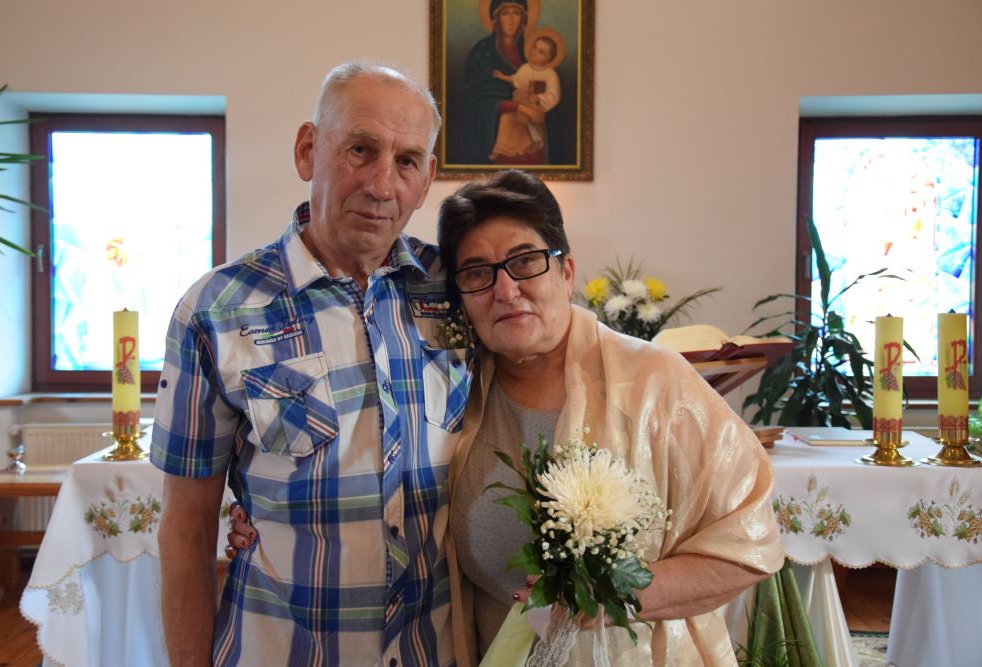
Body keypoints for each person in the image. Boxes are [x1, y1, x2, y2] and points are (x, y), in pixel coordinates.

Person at [230, 170, 784, 665]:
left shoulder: (653, 382)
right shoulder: (451, 387)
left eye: (525, 262)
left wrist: (609, 596)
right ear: (459, 297)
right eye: (477, 272)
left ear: (566, 270)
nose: (505, 290)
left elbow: (749, 545)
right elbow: (369, 464)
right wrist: (261, 516)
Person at [152, 61, 473, 666]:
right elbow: (187, 530)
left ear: (426, 179)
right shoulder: (216, 310)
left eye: (406, 161)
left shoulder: (458, 291)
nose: (382, 185)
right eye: (361, 149)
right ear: (308, 151)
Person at [454, 0, 564, 166]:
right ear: (495, 18)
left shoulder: (531, 53)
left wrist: (537, 106)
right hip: (497, 134)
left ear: (524, 18)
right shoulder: (482, 53)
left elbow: (550, 99)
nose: (511, 20)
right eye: (506, 13)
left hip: (533, 140)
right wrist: (518, 107)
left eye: (516, 13)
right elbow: (475, 100)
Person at [489, 33, 562, 162]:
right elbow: (516, 81)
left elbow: (553, 95)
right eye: (534, 47)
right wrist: (503, 77)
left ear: (549, 58)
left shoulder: (550, 74)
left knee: (522, 120)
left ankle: (531, 142)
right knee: (506, 118)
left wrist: (539, 98)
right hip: (520, 103)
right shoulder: (525, 68)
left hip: (536, 108)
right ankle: (501, 149)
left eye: (541, 52)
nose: (535, 52)